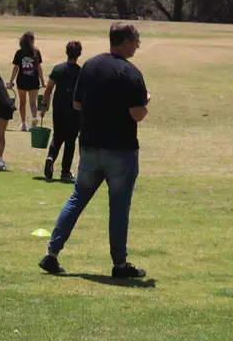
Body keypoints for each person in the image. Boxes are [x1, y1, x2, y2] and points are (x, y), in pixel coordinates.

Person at [38, 23, 149, 280]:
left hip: (89, 146)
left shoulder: (90, 66)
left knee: (77, 199)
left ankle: (51, 253)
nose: (137, 46)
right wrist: (146, 102)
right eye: (136, 41)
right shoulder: (131, 73)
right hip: (120, 150)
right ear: (125, 42)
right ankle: (119, 264)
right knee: (118, 208)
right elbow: (138, 114)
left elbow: (77, 103)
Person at [41, 41, 85, 183]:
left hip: (59, 108)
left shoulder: (58, 69)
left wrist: (44, 106)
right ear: (79, 54)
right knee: (70, 140)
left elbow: (48, 89)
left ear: (66, 52)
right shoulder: (80, 72)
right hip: (75, 109)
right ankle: (65, 171)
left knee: (58, 136)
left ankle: (50, 157)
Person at [11, 32, 44, 131]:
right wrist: (43, 81)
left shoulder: (19, 53)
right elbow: (39, 68)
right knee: (33, 103)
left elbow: (15, 68)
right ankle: (34, 118)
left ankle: (23, 123)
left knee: (22, 102)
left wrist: (10, 82)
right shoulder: (36, 52)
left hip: (22, 80)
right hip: (34, 80)